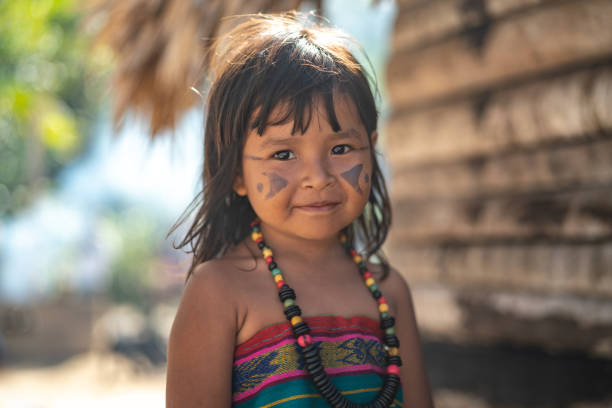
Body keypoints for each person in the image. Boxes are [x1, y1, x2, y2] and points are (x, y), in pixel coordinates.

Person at [166, 12, 434, 408]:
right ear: (236, 172)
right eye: (284, 153)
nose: (318, 176)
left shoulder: (389, 291)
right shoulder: (218, 293)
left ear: (372, 149)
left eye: (341, 148)